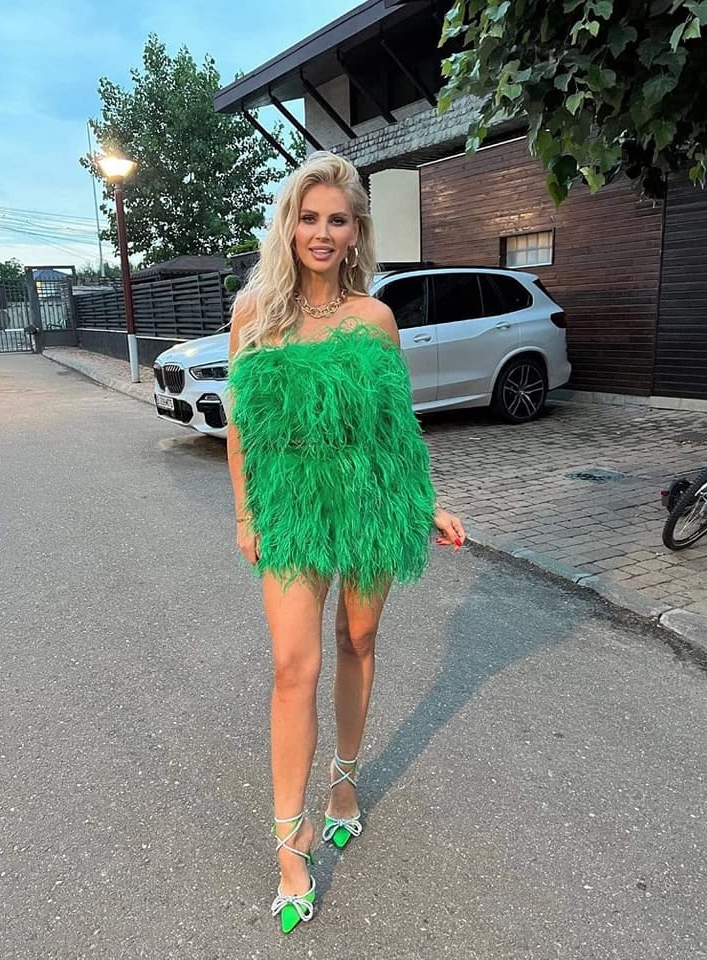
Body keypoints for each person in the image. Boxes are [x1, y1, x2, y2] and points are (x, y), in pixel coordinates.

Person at [226, 151, 466, 934]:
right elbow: (239, 429)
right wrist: (246, 516)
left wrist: (425, 503)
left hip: (370, 496)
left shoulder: (375, 319)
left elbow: (397, 428)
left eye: (336, 219)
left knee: (358, 639)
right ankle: (288, 842)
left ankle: (344, 781)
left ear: (356, 230)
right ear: (288, 226)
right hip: (291, 503)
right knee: (292, 667)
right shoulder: (254, 312)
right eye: (308, 218)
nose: (321, 233)